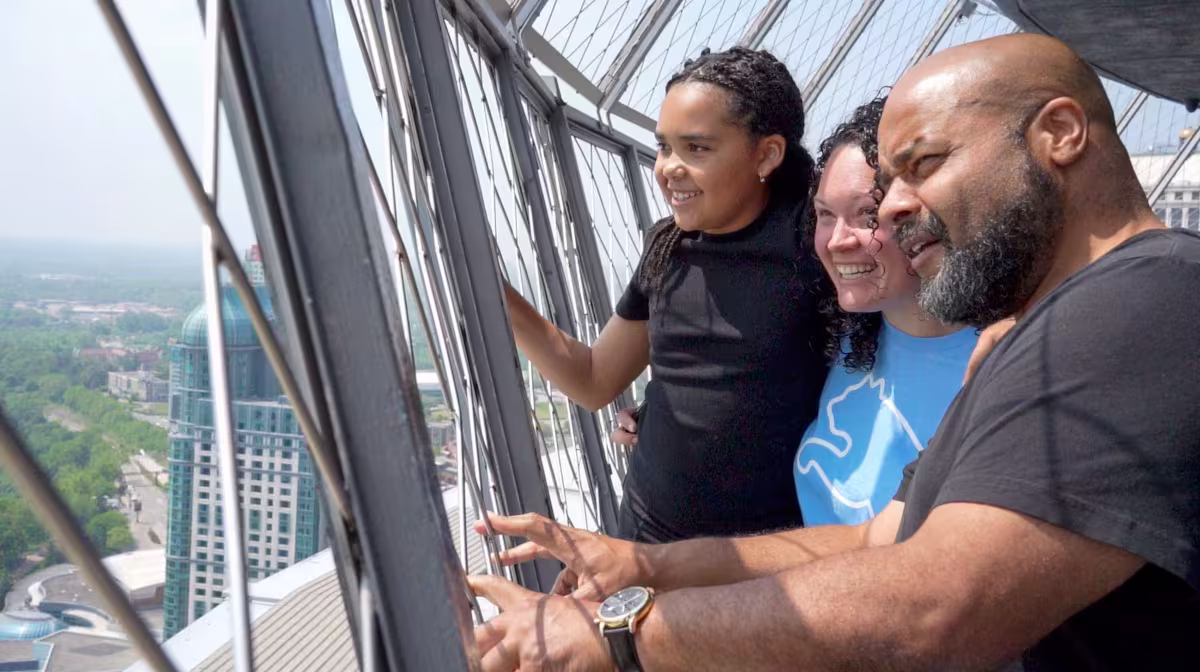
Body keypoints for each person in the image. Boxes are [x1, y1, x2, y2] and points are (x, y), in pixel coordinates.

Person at [469, 33, 1200, 671]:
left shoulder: (1149, 299)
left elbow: (935, 606)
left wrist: (621, 635)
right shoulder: (1045, 329)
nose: (895, 206)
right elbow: (877, 539)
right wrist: (645, 564)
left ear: (1060, 133)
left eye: (924, 163)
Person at [503, 47, 830, 542]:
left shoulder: (818, 249)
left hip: (761, 562)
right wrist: (496, 293)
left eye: (696, 148)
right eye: (663, 147)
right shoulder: (667, 247)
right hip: (643, 537)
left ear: (766, 154)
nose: (668, 168)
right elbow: (594, 379)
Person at [795, 95, 977, 526]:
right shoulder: (837, 335)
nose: (837, 240)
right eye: (825, 214)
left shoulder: (996, 363)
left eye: (867, 214)